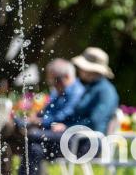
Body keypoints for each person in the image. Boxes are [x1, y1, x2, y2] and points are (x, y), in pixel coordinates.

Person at [0, 58, 85, 174]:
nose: (52, 84)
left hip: (57, 138)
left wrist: (36, 121)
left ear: (67, 76)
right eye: (51, 80)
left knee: (8, 129)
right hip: (41, 132)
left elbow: (61, 117)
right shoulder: (58, 91)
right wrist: (33, 118)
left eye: (55, 80)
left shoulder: (76, 93)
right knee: (8, 136)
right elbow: (44, 113)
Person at [19, 47, 119, 175]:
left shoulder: (105, 91)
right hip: (75, 138)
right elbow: (75, 115)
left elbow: (94, 121)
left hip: (88, 143)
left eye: (82, 67)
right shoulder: (90, 88)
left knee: (33, 134)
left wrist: (67, 127)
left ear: (90, 70)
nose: (79, 70)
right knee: (34, 148)